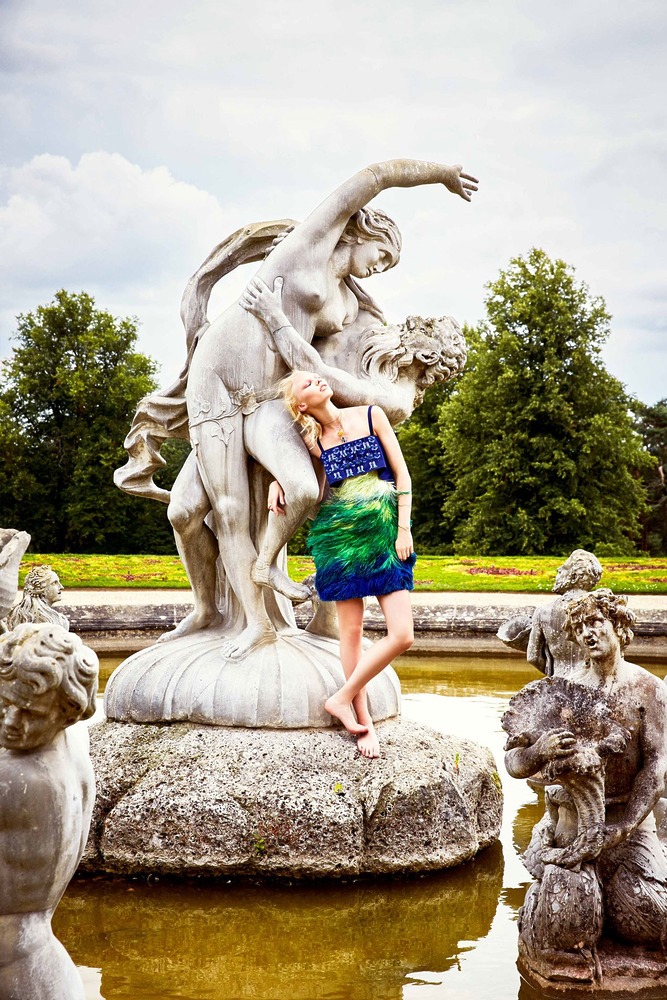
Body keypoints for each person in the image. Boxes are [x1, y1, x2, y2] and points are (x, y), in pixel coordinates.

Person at [115, 160, 477, 659]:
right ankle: (225, 616)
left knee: (299, 489)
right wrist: (441, 173)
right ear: (362, 230)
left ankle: (267, 587)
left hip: (270, 395)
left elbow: (330, 369)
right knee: (210, 511)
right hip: (218, 383)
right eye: (382, 255)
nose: (380, 268)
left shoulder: (350, 304)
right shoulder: (306, 248)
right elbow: (373, 177)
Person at [240, 273, 466, 597]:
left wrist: (274, 316)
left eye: (413, 334)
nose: (400, 333)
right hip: (343, 519)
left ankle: (270, 565)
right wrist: (279, 479)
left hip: (375, 519)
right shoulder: (382, 372)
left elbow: (316, 368)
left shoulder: (388, 399)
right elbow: (316, 466)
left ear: (426, 356)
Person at [505, 589, 667, 953]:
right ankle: (548, 896)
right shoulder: (565, 690)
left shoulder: (648, 689)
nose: (587, 634)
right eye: (579, 629)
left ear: (618, 625)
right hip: (572, 824)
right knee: (569, 926)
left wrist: (624, 827)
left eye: (594, 622)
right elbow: (514, 763)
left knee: (647, 920)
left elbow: (655, 767)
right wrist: (538, 750)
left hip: (627, 826)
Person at [267, 370, 416, 758]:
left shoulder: (370, 415)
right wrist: (278, 482)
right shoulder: (313, 441)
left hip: (384, 532)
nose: (317, 381)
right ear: (301, 405)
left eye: (315, 377)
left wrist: (404, 529)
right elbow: (310, 484)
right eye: (306, 384)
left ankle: (341, 697)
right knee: (350, 632)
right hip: (340, 539)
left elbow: (402, 474)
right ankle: (362, 723)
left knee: (402, 634)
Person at [0, 623, 98, 999]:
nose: (11, 722)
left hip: (14, 979)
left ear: (66, 712)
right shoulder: (74, 747)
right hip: (45, 966)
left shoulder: (14, 780)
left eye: (31, 713)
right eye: (5, 703)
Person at [3, 564, 68, 633]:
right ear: (42, 589)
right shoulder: (57, 622)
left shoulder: (15, 615)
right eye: (54, 583)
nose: (61, 587)